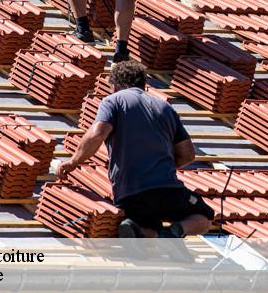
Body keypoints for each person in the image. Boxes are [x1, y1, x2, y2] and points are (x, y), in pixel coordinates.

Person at [56, 61, 214, 238]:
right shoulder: (165, 107)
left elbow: (97, 134)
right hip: (167, 190)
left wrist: (73, 161)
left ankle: (139, 230)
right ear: (143, 84)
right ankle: (173, 232)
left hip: (130, 194)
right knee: (205, 216)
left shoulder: (113, 101)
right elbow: (188, 154)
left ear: (115, 86)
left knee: (145, 223)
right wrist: (160, 167)